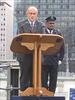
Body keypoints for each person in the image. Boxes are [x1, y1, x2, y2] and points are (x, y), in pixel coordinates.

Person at [17, 6, 44, 93]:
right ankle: (23, 93)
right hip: (24, 55)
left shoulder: (41, 25)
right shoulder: (21, 24)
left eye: (34, 14)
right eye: (30, 13)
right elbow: (19, 39)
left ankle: (34, 93)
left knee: (35, 75)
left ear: (37, 15)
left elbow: (43, 39)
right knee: (25, 75)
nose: (32, 15)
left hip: (36, 55)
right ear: (27, 14)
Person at [42, 16, 65, 96]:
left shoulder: (58, 33)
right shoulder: (42, 32)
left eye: (53, 23)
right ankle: (45, 94)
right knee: (43, 80)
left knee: (53, 79)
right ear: (46, 23)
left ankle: (51, 94)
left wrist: (60, 59)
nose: (52, 25)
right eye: (50, 23)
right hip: (44, 61)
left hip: (54, 61)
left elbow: (62, 47)